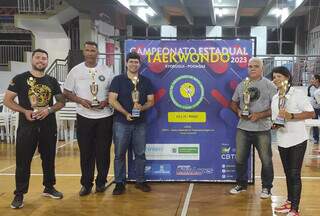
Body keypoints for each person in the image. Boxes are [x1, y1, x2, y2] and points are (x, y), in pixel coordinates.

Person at [4, 49, 65, 209]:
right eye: (38, 58)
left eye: (44, 58)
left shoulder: (52, 80)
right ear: (32, 60)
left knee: (49, 158)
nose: (41, 61)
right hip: (27, 125)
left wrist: (49, 110)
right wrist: (25, 111)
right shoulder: (19, 79)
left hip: (48, 125)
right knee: (23, 160)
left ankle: (49, 187)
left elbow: (60, 102)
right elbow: (8, 100)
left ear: (46, 61)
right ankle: (19, 194)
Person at [63, 41, 114, 196]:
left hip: (105, 116)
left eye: (93, 50)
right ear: (84, 52)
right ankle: (86, 184)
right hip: (84, 116)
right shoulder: (75, 71)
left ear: (97, 53)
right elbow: (66, 91)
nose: (90, 53)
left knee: (103, 151)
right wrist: (80, 101)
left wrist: (106, 101)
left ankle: (101, 183)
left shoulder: (107, 70)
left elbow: (113, 91)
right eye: (88, 50)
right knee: (86, 152)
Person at [229, 57, 277, 198]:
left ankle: (267, 188)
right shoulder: (242, 84)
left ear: (262, 68)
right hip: (243, 128)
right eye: (250, 66)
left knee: (266, 160)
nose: (252, 68)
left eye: (256, 66)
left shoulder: (270, 86)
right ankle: (241, 184)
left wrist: (260, 115)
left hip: (262, 129)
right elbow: (233, 103)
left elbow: (276, 107)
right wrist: (238, 111)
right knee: (239, 159)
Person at [108, 52, 154, 195]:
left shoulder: (146, 81)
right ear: (126, 63)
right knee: (119, 154)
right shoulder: (118, 80)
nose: (134, 64)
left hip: (140, 123)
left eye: (136, 62)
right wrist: (125, 113)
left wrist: (142, 107)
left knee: (140, 153)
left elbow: (151, 101)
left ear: (140, 64)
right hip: (121, 123)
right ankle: (120, 183)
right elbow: (112, 100)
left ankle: (140, 181)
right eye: (131, 62)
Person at [271, 66, 314, 216]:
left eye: (279, 76)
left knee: (295, 174)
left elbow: (311, 113)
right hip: (282, 140)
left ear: (287, 77)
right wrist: (275, 125)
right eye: (274, 77)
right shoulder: (275, 97)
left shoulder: (298, 94)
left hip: (297, 140)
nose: (276, 79)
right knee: (288, 173)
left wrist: (292, 116)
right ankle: (289, 203)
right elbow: (278, 118)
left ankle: (295, 209)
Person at [307, 74, 320, 144]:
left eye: (312, 79)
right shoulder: (310, 87)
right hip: (314, 108)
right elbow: (310, 98)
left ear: (317, 80)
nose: (311, 80)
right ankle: (316, 138)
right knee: (314, 123)